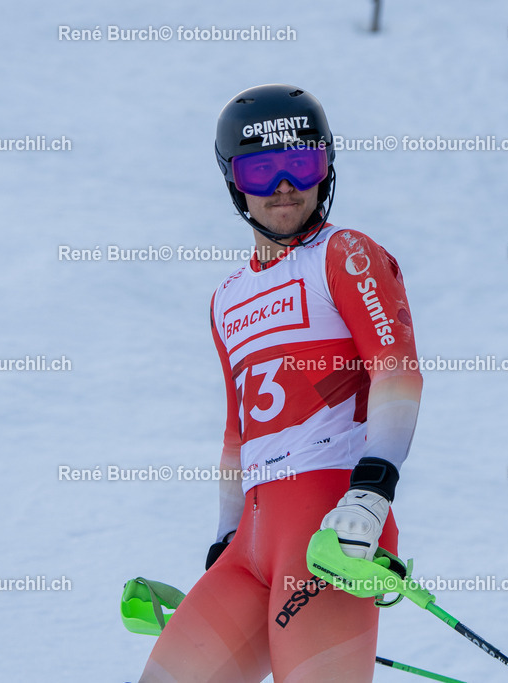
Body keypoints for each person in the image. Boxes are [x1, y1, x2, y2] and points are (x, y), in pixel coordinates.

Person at [139, 83, 423, 683]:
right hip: (251, 542)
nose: (284, 186)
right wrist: (223, 541)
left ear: (326, 167)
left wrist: (372, 493)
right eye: (263, 169)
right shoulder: (226, 299)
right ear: (234, 181)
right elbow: (236, 430)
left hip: (331, 525)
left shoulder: (344, 254)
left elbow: (396, 371)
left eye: (300, 163)